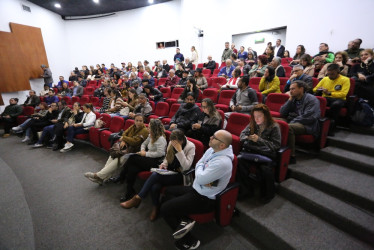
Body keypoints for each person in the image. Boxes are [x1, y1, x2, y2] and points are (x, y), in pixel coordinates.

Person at [160, 130, 233, 249]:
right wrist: (202, 171)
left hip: (205, 198)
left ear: (222, 145)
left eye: (214, 137)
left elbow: (200, 176)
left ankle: (189, 241)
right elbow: (199, 165)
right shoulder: (212, 150)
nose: (210, 137)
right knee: (169, 191)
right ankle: (184, 221)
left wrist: (201, 172)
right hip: (197, 188)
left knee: (165, 209)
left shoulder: (223, 162)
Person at [120, 129, 195, 221]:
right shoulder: (172, 142)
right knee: (155, 186)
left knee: (155, 175)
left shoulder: (190, 146)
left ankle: (138, 198)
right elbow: (167, 158)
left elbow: (186, 167)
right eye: (172, 142)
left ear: (182, 140)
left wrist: (180, 151)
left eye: (176, 143)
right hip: (170, 171)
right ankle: (156, 207)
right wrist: (164, 164)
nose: (173, 144)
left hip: (180, 175)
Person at [84, 114, 149, 184]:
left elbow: (135, 142)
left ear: (143, 121)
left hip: (133, 151)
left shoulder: (144, 131)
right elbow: (124, 133)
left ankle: (98, 175)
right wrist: (124, 140)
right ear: (134, 120)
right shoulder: (133, 126)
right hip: (124, 147)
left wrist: (124, 139)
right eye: (137, 120)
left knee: (118, 161)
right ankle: (102, 179)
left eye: (140, 121)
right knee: (112, 155)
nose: (138, 122)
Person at [237, 104, 281, 202]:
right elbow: (242, 135)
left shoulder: (274, 126)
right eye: (254, 116)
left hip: (265, 155)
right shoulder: (252, 123)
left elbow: (276, 146)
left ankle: (269, 193)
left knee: (264, 168)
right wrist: (248, 138)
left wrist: (259, 140)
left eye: (259, 116)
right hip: (252, 152)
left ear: (266, 116)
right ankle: (246, 190)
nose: (256, 119)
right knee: (239, 160)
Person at [118, 119, 167, 201]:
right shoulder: (150, 135)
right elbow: (144, 144)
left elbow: (160, 153)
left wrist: (145, 154)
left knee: (132, 158)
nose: (148, 128)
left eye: (149, 127)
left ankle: (121, 176)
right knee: (132, 169)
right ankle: (129, 192)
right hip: (148, 158)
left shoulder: (161, 139)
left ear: (154, 129)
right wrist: (143, 150)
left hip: (156, 161)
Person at [280, 81, 320, 164]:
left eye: (293, 89)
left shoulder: (311, 99)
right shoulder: (293, 98)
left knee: (288, 127)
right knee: (274, 121)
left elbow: (309, 117)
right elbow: (283, 113)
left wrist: (292, 121)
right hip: (294, 120)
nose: (290, 91)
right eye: (290, 89)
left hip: (307, 125)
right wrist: (290, 100)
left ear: (301, 89)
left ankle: (291, 156)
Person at [313, 63, 350, 133]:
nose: (330, 76)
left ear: (338, 72)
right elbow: (314, 89)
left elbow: (343, 94)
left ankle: (331, 125)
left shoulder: (345, 79)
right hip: (326, 97)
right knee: (316, 100)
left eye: (332, 74)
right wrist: (318, 89)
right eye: (328, 74)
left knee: (336, 104)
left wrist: (330, 93)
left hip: (339, 99)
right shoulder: (325, 79)